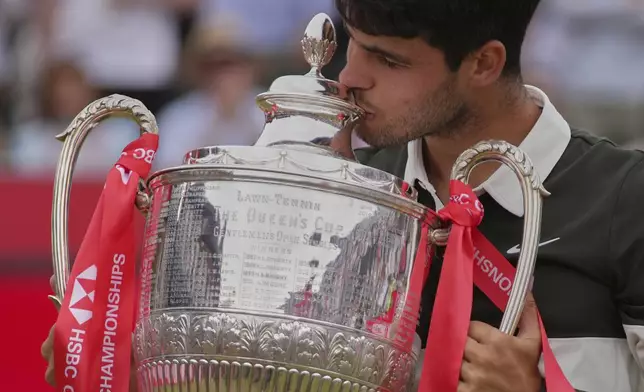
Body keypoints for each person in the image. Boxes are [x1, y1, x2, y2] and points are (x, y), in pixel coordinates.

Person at [42, 1, 644, 391]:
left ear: (483, 63)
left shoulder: (625, 196)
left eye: (387, 58)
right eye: (353, 43)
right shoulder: (343, 191)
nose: (351, 75)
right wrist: (126, 359)